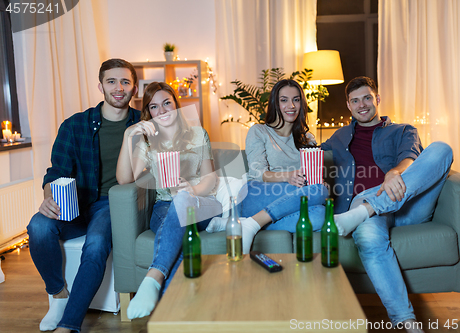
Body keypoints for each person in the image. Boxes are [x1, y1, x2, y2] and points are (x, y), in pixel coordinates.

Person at [320, 76, 453, 333]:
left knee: (442, 148)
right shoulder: (337, 138)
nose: (362, 105)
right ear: (348, 105)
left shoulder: (402, 130)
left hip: (408, 206)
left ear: (377, 99)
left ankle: (364, 211)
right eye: (355, 101)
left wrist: (396, 171)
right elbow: (309, 155)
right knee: (369, 239)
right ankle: (408, 322)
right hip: (368, 210)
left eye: (367, 98)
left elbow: (411, 157)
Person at [26, 58, 141, 333]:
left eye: (125, 81)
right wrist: (49, 198)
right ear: (100, 85)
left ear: (134, 88)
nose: (118, 87)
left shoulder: (142, 124)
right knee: (38, 227)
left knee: (96, 246)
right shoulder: (74, 125)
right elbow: (55, 173)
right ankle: (58, 295)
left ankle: (69, 324)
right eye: (111, 81)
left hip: (113, 204)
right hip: (74, 202)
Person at [116, 81, 222, 319]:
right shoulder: (146, 141)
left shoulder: (196, 133)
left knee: (183, 199)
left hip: (203, 204)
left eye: (167, 103)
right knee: (179, 228)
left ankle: (154, 278)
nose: (162, 111)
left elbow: (210, 179)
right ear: (148, 113)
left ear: (176, 104)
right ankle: (177, 314)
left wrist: (192, 189)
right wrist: (128, 136)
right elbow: (124, 179)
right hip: (166, 207)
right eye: (154, 107)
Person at [207, 79, 329, 253]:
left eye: (296, 99)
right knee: (318, 192)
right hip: (258, 192)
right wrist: (288, 176)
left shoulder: (307, 138)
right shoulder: (259, 131)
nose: (291, 105)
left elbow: (310, 176)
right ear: (275, 103)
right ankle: (250, 221)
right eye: (284, 100)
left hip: (292, 196)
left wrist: (318, 181)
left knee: (319, 215)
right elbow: (258, 173)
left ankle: (248, 223)